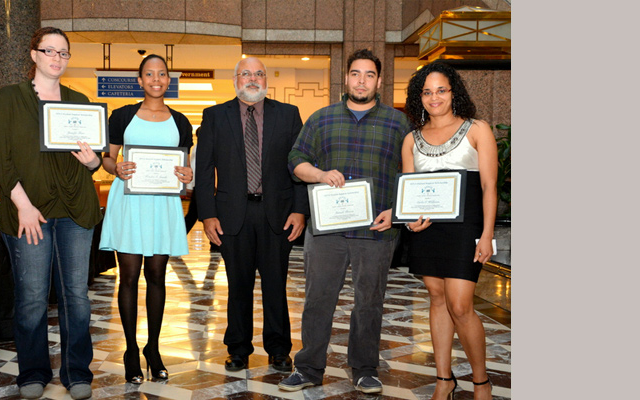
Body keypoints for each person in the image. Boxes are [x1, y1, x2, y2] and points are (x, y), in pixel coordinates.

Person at [277, 49, 409, 395]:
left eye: (369, 75)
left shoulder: (398, 123)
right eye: (355, 74)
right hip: (327, 231)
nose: (361, 80)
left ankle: (364, 369)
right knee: (318, 299)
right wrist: (320, 174)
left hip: (377, 230)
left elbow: (410, 173)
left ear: (379, 81)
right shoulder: (321, 119)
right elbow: (295, 160)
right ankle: (307, 368)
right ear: (346, 78)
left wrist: (396, 212)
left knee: (369, 302)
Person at [0, 27, 98, 400]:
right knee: (32, 295)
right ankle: (33, 371)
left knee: (76, 297)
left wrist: (94, 160)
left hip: (75, 210)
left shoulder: (81, 101)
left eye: (64, 53)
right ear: (33, 54)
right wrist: (24, 206)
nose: (57, 58)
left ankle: (77, 372)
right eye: (49, 51)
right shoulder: (7, 99)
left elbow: (95, 159)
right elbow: (0, 159)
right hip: (27, 211)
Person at [195, 56, 308, 373]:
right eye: (246, 73)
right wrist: (207, 215)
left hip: (278, 215)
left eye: (259, 73)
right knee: (238, 286)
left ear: (267, 80)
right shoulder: (215, 116)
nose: (252, 79)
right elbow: (203, 171)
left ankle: (278, 349)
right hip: (232, 215)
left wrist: (300, 210)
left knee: (276, 286)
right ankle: (238, 349)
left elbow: (299, 165)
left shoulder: (288, 115)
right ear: (235, 79)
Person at [401, 61, 496, 400]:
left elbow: (488, 186)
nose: (434, 97)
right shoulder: (411, 139)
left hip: (466, 229)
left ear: (453, 92)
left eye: (441, 90)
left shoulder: (477, 129)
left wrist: (486, 235)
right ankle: (444, 379)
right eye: (426, 92)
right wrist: (411, 218)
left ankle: (481, 382)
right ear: (419, 97)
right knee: (437, 298)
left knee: (460, 305)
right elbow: (409, 193)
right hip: (428, 232)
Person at [98, 54, 194, 384]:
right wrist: (116, 168)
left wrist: (187, 174)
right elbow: (107, 160)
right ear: (139, 81)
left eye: (162, 73)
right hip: (128, 201)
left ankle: (153, 349)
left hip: (162, 205)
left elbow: (185, 168)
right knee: (128, 277)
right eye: (149, 74)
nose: (156, 78)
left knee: (157, 275)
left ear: (170, 80)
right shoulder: (122, 116)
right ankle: (129, 350)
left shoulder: (181, 122)